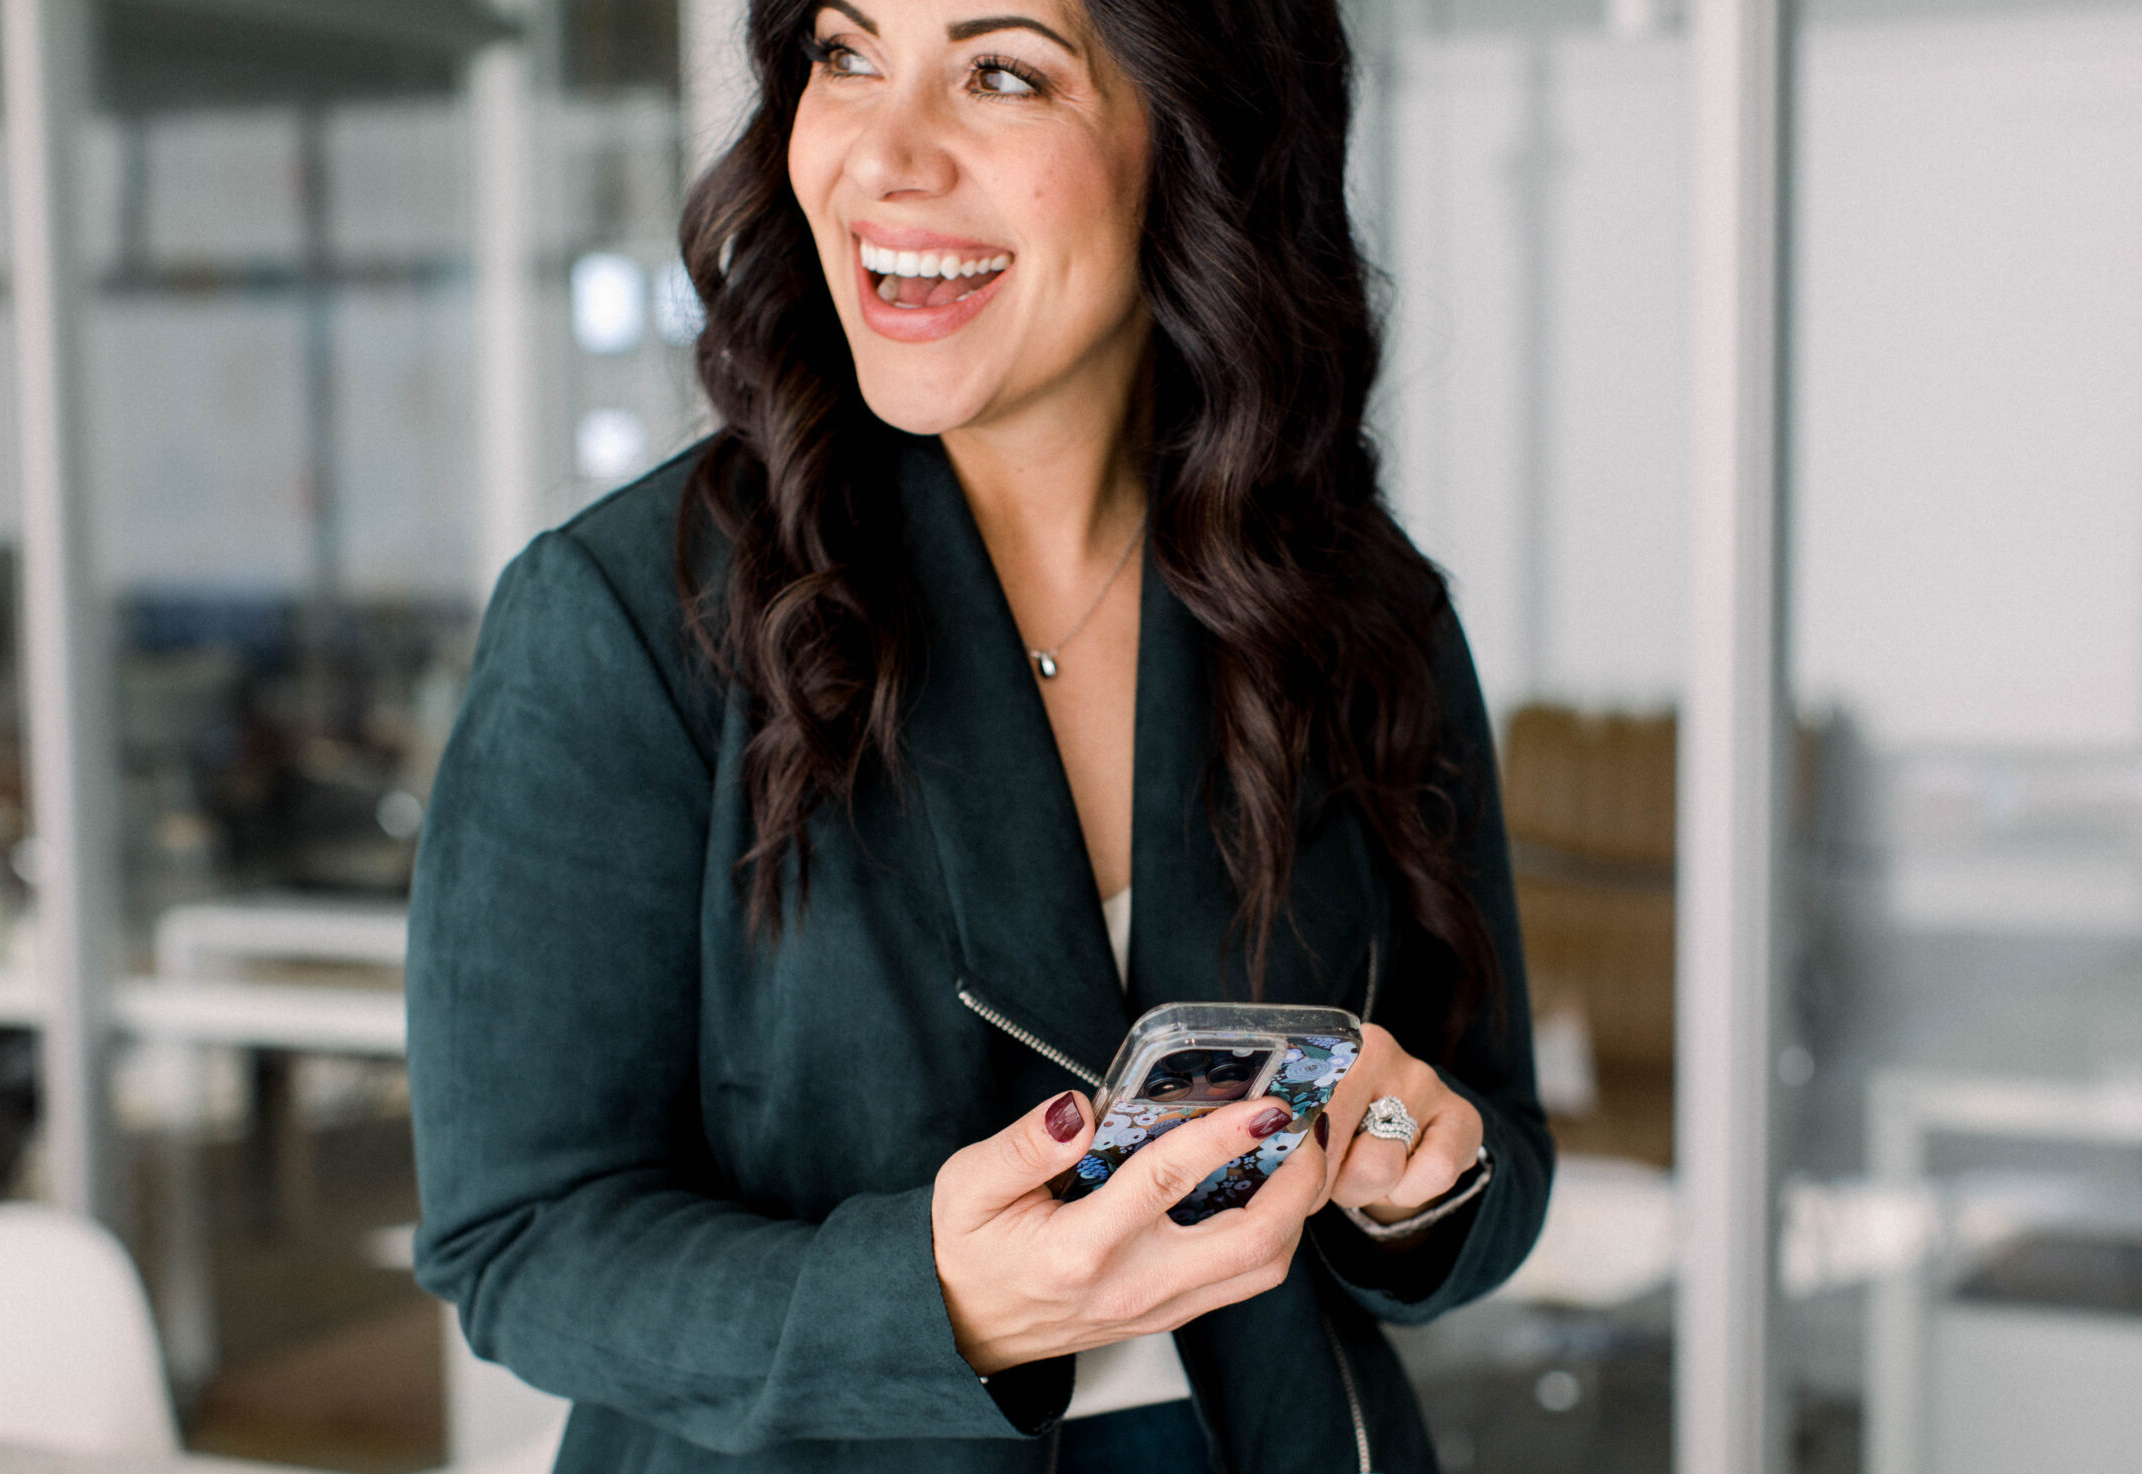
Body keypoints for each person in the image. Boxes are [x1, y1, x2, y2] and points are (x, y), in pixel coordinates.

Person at [406, 0, 1552, 1469]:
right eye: (845, 54)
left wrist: (1418, 1184)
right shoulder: (626, 619)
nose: (884, 156)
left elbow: (1496, 1148)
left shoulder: (1352, 609)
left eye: (1002, 72)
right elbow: (520, 1243)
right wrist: (932, 1301)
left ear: (1194, 137)